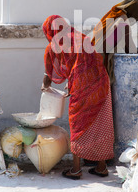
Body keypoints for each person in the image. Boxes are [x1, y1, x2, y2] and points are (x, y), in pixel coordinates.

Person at [41, 15, 114, 180]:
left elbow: (49, 74)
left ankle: (76, 169)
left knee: (78, 124)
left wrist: (45, 86)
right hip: (102, 83)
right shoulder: (81, 37)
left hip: (82, 88)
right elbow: (83, 63)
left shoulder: (54, 46)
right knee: (99, 122)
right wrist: (71, 80)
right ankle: (101, 166)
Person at [91, 0, 138, 84]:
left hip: (92, 56)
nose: (136, 20)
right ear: (133, 12)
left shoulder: (115, 15)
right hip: (99, 61)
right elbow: (130, 47)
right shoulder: (123, 19)